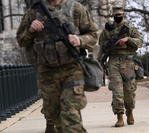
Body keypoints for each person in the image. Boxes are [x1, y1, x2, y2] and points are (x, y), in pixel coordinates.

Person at [16, 0, 98, 132]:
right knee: (55, 116)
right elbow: (21, 40)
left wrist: (80, 40)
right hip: (47, 72)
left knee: (70, 113)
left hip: (72, 69)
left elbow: (93, 35)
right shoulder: (34, 12)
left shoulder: (75, 8)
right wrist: (31, 30)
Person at [98, 6, 143, 127]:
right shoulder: (107, 30)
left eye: (120, 15)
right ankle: (119, 116)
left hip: (128, 62)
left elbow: (140, 42)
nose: (118, 17)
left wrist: (128, 39)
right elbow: (102, 47)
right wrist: (99, 62)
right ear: (113, 16)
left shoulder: (129, 28)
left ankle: (130, 112)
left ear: (123, 14)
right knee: (117, 91)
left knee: (129, 91)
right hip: (113, 62)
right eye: (116, 15)